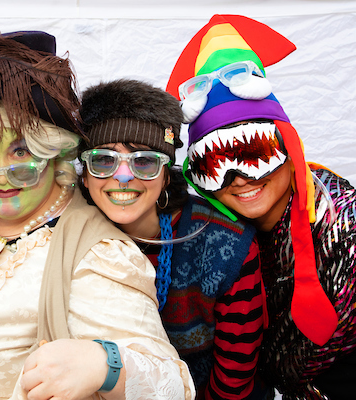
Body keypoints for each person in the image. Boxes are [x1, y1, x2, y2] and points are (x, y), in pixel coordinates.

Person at [0, 26, 195, 400]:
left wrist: (105, 365)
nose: (2, 173)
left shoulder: (93, 255)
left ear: (55, 154)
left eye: (21, 151)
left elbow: (172, 386)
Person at [166, 14, 356, 399]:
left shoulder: (349, 228)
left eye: (255, 153)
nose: (239, 178)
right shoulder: (219, 241)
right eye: (214, 165)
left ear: (289, 149)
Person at [78, 79, 269, 400]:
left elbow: (235, 374)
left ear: (166, 174)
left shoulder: (226, 243)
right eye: (103, 160)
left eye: (144, 161)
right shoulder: (62, 238)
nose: (123, 177)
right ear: (84, 175)